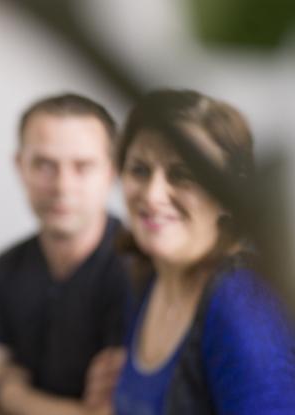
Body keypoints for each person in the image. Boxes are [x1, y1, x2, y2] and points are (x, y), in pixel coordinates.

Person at [113, 89, 295, 414]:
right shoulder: (148, 276)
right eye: (140, 170)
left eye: (182, 175)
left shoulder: (243, 307)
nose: (153, 195)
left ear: (228, 195)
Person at [0, 93, 131, 415]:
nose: (62, 186)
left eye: (83, 167)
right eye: (44, 165)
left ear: (111, 171)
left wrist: (13, 395)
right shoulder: (7, 267)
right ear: (20, 166)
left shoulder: (137, 270)